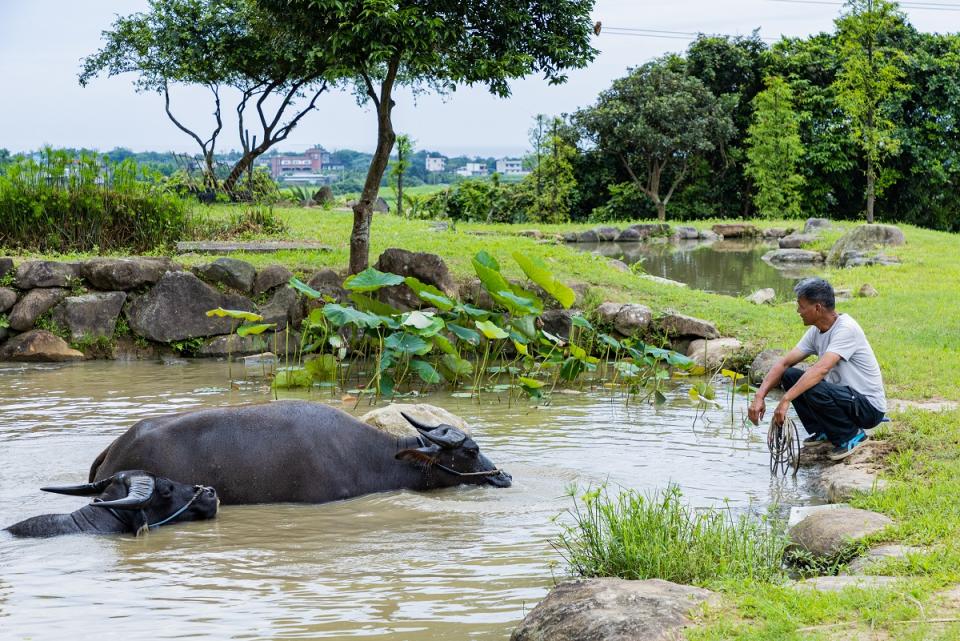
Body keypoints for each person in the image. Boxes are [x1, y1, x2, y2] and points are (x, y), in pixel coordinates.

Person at [748, 277, 886, 461]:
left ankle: (851, 435)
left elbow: (820, 370)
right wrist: (759, 396)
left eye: (801, 306)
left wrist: (786, 399)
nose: (798, 311)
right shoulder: (817, 331)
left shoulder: (846, 329)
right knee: (789, 376)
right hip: (845, 399)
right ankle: (823, 431)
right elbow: (784, 364)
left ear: (817, 308)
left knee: (811, 384)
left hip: (868, 408)